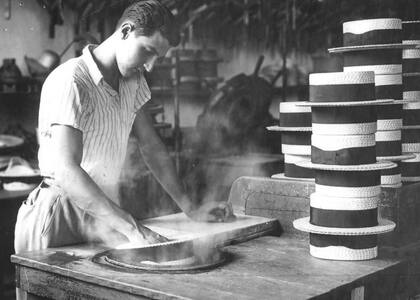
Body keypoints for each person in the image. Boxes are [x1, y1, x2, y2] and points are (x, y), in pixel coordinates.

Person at [14, 0, 234, 254]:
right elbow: (66, 170)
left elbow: (152, 148)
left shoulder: (133, 83)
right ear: (126, 31)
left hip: (104, 214)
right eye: (148, 51)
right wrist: (133, 229)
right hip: (59, 215)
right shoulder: (71, 80)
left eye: (157, 58)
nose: (150, 65)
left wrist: (190, 207)